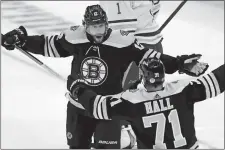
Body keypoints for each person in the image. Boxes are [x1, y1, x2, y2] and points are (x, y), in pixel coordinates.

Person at [1, 4, 209, 149]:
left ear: (107, 24)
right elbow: (49, 45)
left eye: (101, 25)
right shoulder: (75, 36)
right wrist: (22, 39)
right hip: (78, 105)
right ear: (85, 25)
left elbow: (149, 56)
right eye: (93, 26)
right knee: (77, 146)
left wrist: (179, 63)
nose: (98, 31)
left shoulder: (122, 41)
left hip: (108, 108)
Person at [70, 57, 223, 149]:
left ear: (143, 78)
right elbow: (218, 80)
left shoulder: (132, 101)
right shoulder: (183, 90)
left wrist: (78, 89)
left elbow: (97, 107)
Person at [100, 1, 163, 90]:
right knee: (151, 94)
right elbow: (155, 7)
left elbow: (121, 30)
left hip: (135, 48)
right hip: (153, 43)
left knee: (122, 95)